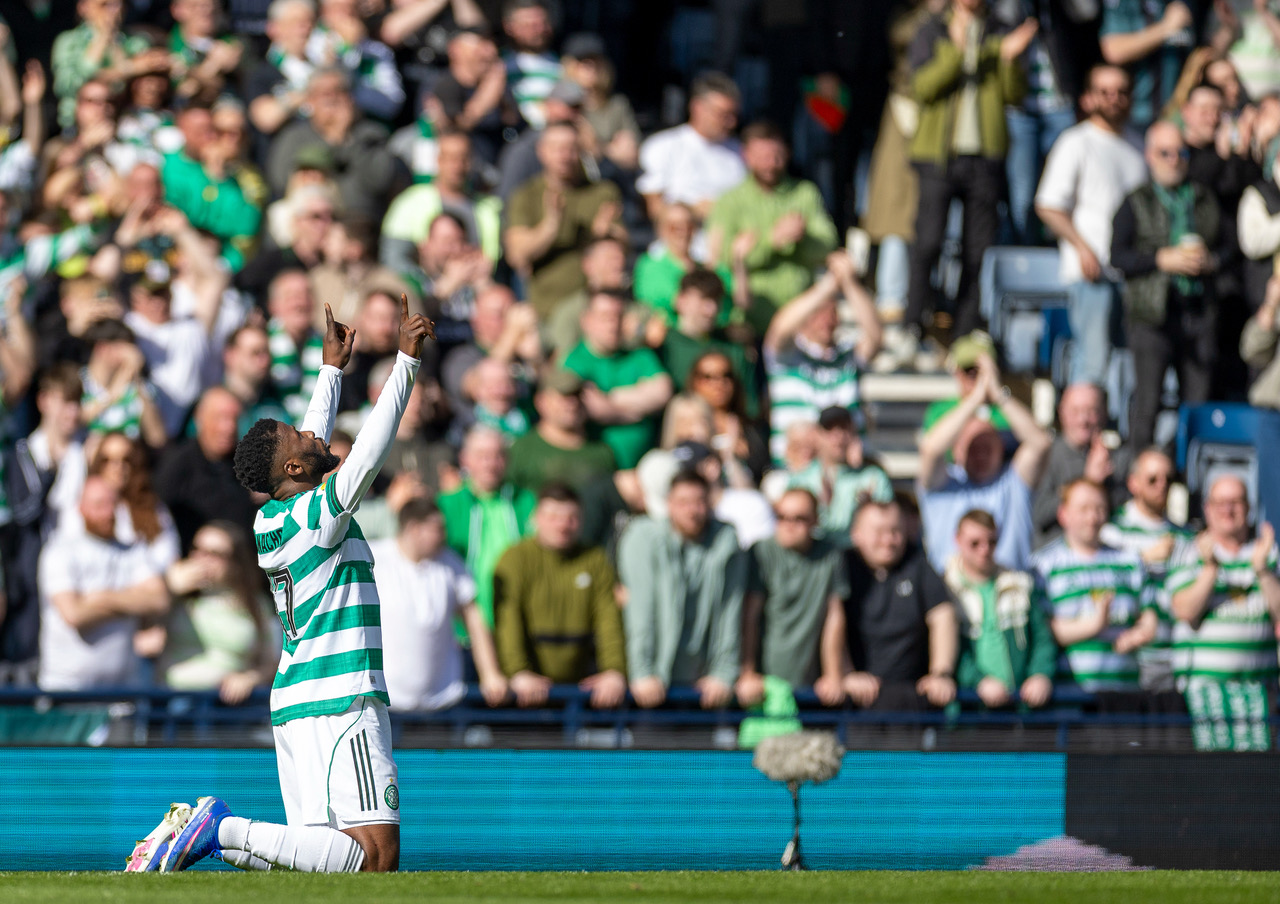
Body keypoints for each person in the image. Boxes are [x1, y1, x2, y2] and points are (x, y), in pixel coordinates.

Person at [129, 298, 433, 874]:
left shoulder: (277, 516)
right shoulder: (317, 514)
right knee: (374, 860)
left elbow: (309, 448)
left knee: (322, 866)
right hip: (340, 694)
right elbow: (366, 454)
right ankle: (217, 826)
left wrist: (330, 371)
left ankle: (206, 835)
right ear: (294, 470)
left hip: (298, 698)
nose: (314, 435)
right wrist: (405, 363)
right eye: (300, 438)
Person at [904, 0, 1034, 342]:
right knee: (928, 241)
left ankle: (965, 328)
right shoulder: (933, 28)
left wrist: (1008, 61)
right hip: (938, 155)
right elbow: (923, 88)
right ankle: (913, 321)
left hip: (984, 156)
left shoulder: (999, 29)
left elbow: (1015, 95)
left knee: (978, 249)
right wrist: (958, 51)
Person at [1110, 121, 1220, 451]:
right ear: (1149, 156)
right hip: (1151, 315)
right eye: (1165, 153)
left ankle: (1186, 476)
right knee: (1148, 402)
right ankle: (1141, 475)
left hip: (1197, 312)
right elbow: (1118, 257)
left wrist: (1210, 261)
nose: (1174, 160)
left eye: (1181, 153)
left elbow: (1230, 247)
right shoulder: (1135, 200)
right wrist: (1161, 260)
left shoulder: (1202, 199)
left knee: (1196, 403)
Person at [1035, 64, 1148, 387]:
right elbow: (1048, 205)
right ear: (1088, 98)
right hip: (1092, 273)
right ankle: (1084, 432)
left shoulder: (1138, 146)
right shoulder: (1076, 142)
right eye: (1104, 92)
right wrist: (1082, 248)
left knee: (1129, 363)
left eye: (1121, 92)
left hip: (1131, 273)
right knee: (1093, 360)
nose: (1113, 99)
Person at [617, 471, 746, 710]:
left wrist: (723, 673)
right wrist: (642, 671)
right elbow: (640, 611)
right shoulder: (644, 537)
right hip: (652, 685)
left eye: (699, 502)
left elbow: (731, 610)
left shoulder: (726, 541)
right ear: (669, 505)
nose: (692, 510)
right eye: (683, 502)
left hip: (704, 688)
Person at [1169, 475, 1280, 751]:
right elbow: (1185, 610)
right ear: (1207, 508)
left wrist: (1263, 572)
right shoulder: (1188, 551)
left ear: (1249, 507)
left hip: (1259, 700)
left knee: (1257, 787)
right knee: (1208, 786)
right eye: (1220, 503)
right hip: (1204, 702)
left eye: (1235, 502)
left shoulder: (1268, 553)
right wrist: (1210, 570)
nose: (1228, 510)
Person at [493, 482, 627, 708]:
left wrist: (614, 670)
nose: (563, 525)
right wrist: (518, 672)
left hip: (582, 688)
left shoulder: (595, 560)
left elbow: (608, 620)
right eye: (553, 516)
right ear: (536, 518)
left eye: (571, 517)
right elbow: (508, 622)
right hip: (527, 692)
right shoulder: (515, 559)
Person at [370, 496, 507, 712]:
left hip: (443, 701)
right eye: (438, 528)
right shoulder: (374, 558)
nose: (444, 535)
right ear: (414, 528)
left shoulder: (451, 563)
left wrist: (490, 673)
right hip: (384, 703)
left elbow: (474, 619)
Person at [918, 354, 1051, 571]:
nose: (980, 455)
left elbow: (1041, 443)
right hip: (952, 594)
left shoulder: (1013, 483)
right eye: (973, 448)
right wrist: (974, 398)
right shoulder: (943, 485)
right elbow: (930, 449)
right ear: (958, 451)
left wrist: (998, 394)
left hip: (1009, 594)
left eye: (987, 448)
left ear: (1000, 449)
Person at [37, 476, 170, 691]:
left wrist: (101, 598)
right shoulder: (60, 551)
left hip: (122, 690)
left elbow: (159, 599)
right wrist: (132, 599)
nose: (108, 513)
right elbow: (74, 615)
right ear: (80, 507)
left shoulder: (133, 550)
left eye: (112, 504)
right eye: (99, 505)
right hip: (67, 688)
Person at [705, 121, 838, 335]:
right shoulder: (729, 201)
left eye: (777, 156)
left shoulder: (804, 193)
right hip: (749, 319)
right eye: (762, 156)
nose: (770, 163)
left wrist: (802, 237)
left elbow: (827, 247)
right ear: (745, 155)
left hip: (799, 317)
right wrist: (771, 241)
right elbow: (722, 258)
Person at [1031, 479, 1159, 696]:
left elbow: (1149, 614)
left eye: (1099, 509)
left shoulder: (1129, 561)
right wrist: (1094, 625)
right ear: (1063, 514)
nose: (1092, 518)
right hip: (1071, 699)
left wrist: (1138, 635)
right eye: (1083, 509)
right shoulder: (1043, 566)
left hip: (1124, 694)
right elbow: (1044, 630)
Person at [839, 499, 959, 711]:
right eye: (879, 532)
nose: (888, 540)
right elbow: (830, 619)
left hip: (913, 697)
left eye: (895, 531)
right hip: (856, 701)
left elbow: (943, 616)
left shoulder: (917, 563)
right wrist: (846, 673)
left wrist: (941, 673)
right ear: (856, 534)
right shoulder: (842, 567)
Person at [763, 251, 882, 463]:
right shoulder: (786, 357)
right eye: (818, 311)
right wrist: (827, 286)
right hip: (795, 472)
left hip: (850, 469)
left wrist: (849, 283)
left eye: (832, 312)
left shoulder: (848, 357)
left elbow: (875, 337)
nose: (826, 319)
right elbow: (780, 328)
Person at [736, 488, 850, 706]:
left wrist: (833, 673)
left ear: (815, 521)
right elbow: (750, 616)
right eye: (781, 517)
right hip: (764, 684)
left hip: (813, 685)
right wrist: (747, 672)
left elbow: (834, 616)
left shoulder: (830, 555)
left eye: (799, 518)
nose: (789, 525)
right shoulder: (761, 551)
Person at [503, 120, 625, 319]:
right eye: (556, 148)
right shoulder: (526, 195)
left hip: (598, 309)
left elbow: (623, 244)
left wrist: (604, 236)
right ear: (541, 151)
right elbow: (516, 255)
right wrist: (550, 226)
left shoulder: (602, 192)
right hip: (547, 310)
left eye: (570, 148)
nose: (564, 156)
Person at [943, 509, 1056, 709]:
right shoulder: (945, 590)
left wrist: (1040, 675)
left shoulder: (1020, 585)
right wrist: (979, 681)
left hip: (1019, 706)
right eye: (975, 543)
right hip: (967, 710)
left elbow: (1042, 639)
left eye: (992, 542)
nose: (984, 550)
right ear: (957, 540)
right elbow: (950, 650)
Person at [158, 521, 280, 705]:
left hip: (225, 709)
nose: (201, 558)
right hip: (171, 702)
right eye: (197, 549)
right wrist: (168, 590)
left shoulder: (256, 604)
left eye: (214, 554)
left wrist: (249, 678)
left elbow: (272, 662)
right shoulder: (175, 595)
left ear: (235, 562)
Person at [1099, 448, 1187, 694]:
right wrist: (1143, 559)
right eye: (1152, 479)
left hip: (1174, 659)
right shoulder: (1112, 533)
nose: (1162, 486)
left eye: (1168, 479)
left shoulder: (1184, 535)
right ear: (1133, 483)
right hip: (1130, 661)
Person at [436, 426, 535, 633]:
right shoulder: (446, 505)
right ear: (465, 460)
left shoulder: (526, 501)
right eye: (482, 456)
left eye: (498, 456)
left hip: (521, 623)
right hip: (464, 624)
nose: (490, 464)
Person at [564, 289, 673, 470]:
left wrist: (611, 399)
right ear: (587, 321)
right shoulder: (574, 362)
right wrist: (637, 410)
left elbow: (662, 392)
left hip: (643, 466)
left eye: (618, 316)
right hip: (596, 467)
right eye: (605, 317)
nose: (613, 324)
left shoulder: (640, 355)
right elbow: (594, 408)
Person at [1032, 383, 1134, 548]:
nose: (1083, 420)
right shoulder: (1047, 454)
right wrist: (1088, 480)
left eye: (1091, 411)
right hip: (1056, 553)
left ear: (1104, 414)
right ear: (1062, 413)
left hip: (1108, 554)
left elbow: (1128, 513)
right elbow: (1040, 515)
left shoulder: (1119, 457)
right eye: (1075, 411)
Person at [636, 72, 745, 225]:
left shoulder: (741, 151)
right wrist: (693, 211)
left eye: (734, 115)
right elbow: (653, 207)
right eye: (723, 114)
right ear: (697, 108)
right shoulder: (662, 145)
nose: (731, 122)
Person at [154, 387, 255, 550]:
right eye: (220, 418)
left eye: (234, 419)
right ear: (199, 419)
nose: (228, 428)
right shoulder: (177, 465)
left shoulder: (247, 463)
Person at [787, 406, 894, 547]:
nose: (838, 436)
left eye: (844, 428)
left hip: (856, 556)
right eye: (829, 429)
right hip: (812, 557)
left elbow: (887, 523)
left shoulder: (873, 478)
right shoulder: (800, 479)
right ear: (817, 435)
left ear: (853, 433)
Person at [1098, 0, 1195, 130]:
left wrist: (1227, 29)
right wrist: (1166, 27)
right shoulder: (1126, 4)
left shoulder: (1185, 5)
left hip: (1179, 116)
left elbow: (1201, 57)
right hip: (1138, 116)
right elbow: (1113, 50)